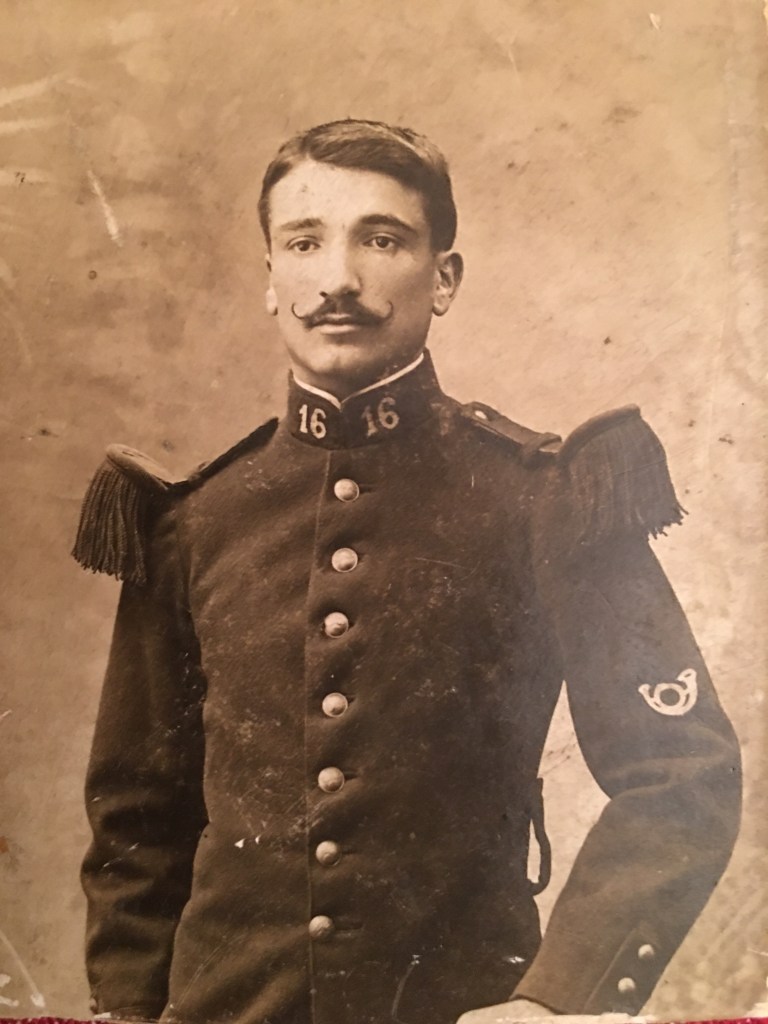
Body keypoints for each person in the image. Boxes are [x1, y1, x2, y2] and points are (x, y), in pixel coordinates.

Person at [73, 119, 741, 1024]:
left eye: (381, 240)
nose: (337, 279)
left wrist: (558, 1001)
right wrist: (126, 1009)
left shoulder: (546, 496)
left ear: (445, 277)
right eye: (303, 243)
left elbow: (682, 774)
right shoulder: (194, 521)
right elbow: (137, 822)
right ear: (270, 280)